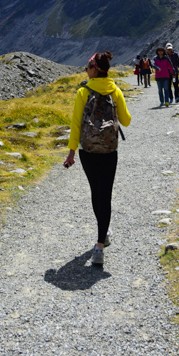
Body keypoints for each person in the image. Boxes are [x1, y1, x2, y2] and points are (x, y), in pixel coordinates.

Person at [63, 51, 131, 266]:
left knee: (95, 192)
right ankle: (99, 247)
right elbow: (127, 121)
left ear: (93, 69)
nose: (86, 70)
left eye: (87, 67)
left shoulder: (83, 91)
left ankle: (104, 233)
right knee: (106, 195)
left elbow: (75, 124)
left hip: (88, 151)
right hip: (109, 151)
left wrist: (71, 152)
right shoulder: (115, 90)